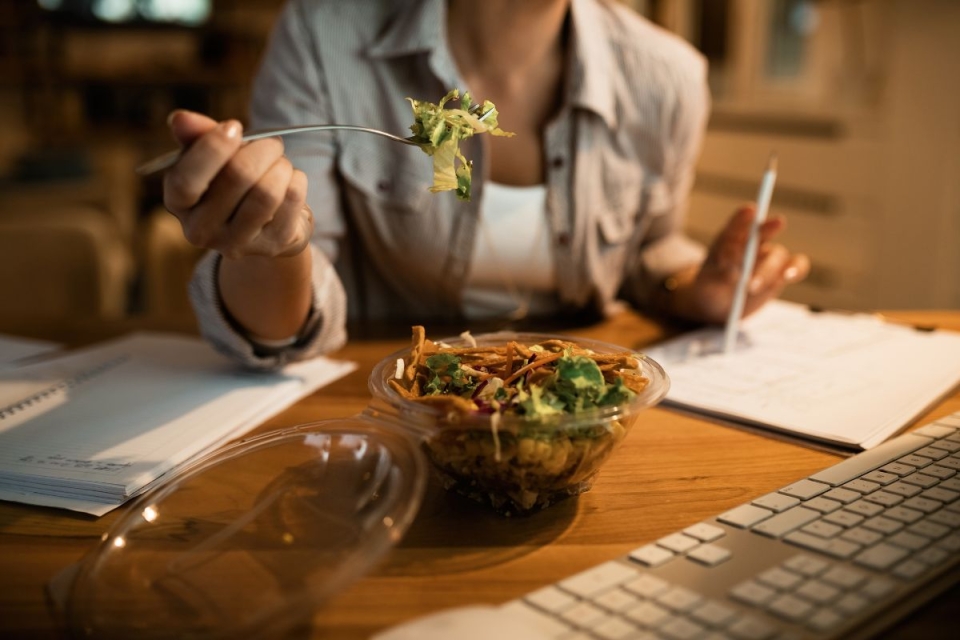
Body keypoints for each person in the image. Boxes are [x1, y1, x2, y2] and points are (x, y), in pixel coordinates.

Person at [162, 0, 809, 370]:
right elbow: (287, 312)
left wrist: (697, 286)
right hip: (382, 416)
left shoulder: (669, 78)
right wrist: (271, 244)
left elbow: (651, 250)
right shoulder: (323, 36)